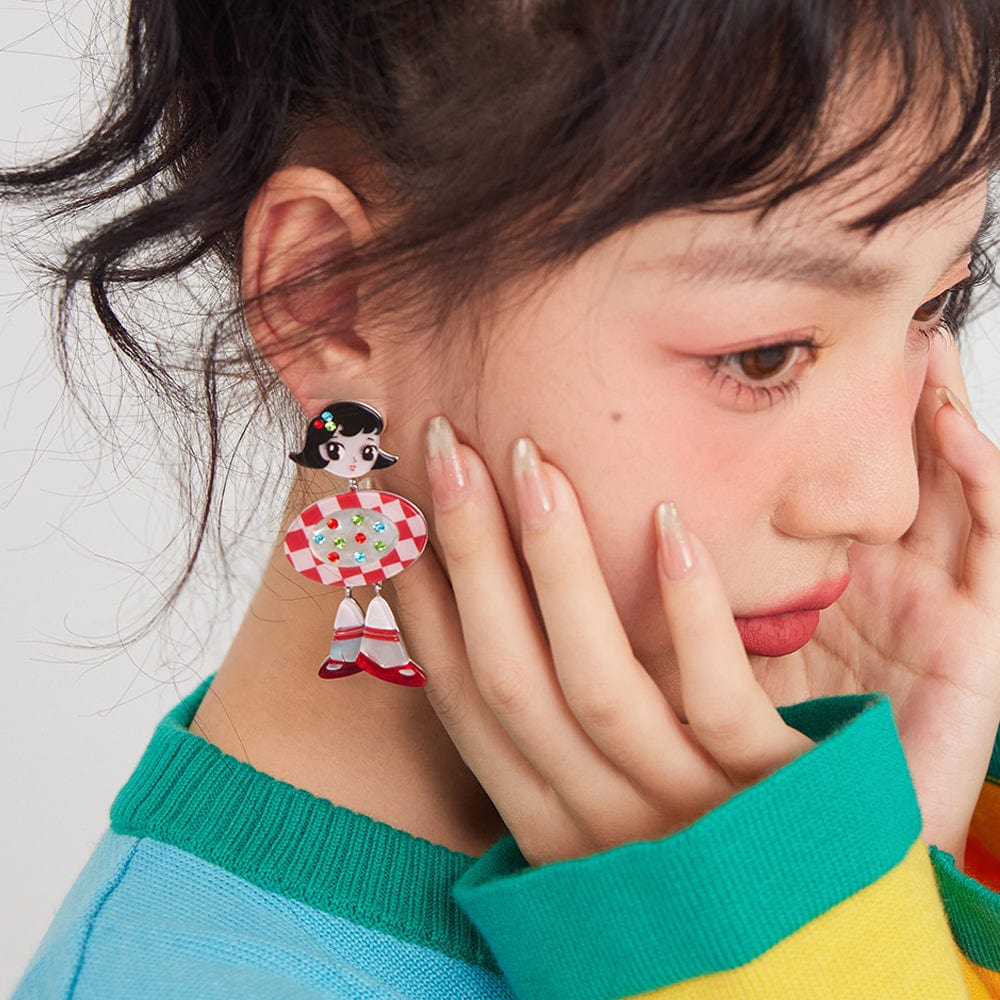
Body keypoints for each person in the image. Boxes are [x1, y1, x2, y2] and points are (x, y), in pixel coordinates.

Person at [7, 0, 1000, 996]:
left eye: (934, 305)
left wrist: (902, 870)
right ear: (330, 294)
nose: (883, 500)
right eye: (763, 354)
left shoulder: (938, 773)